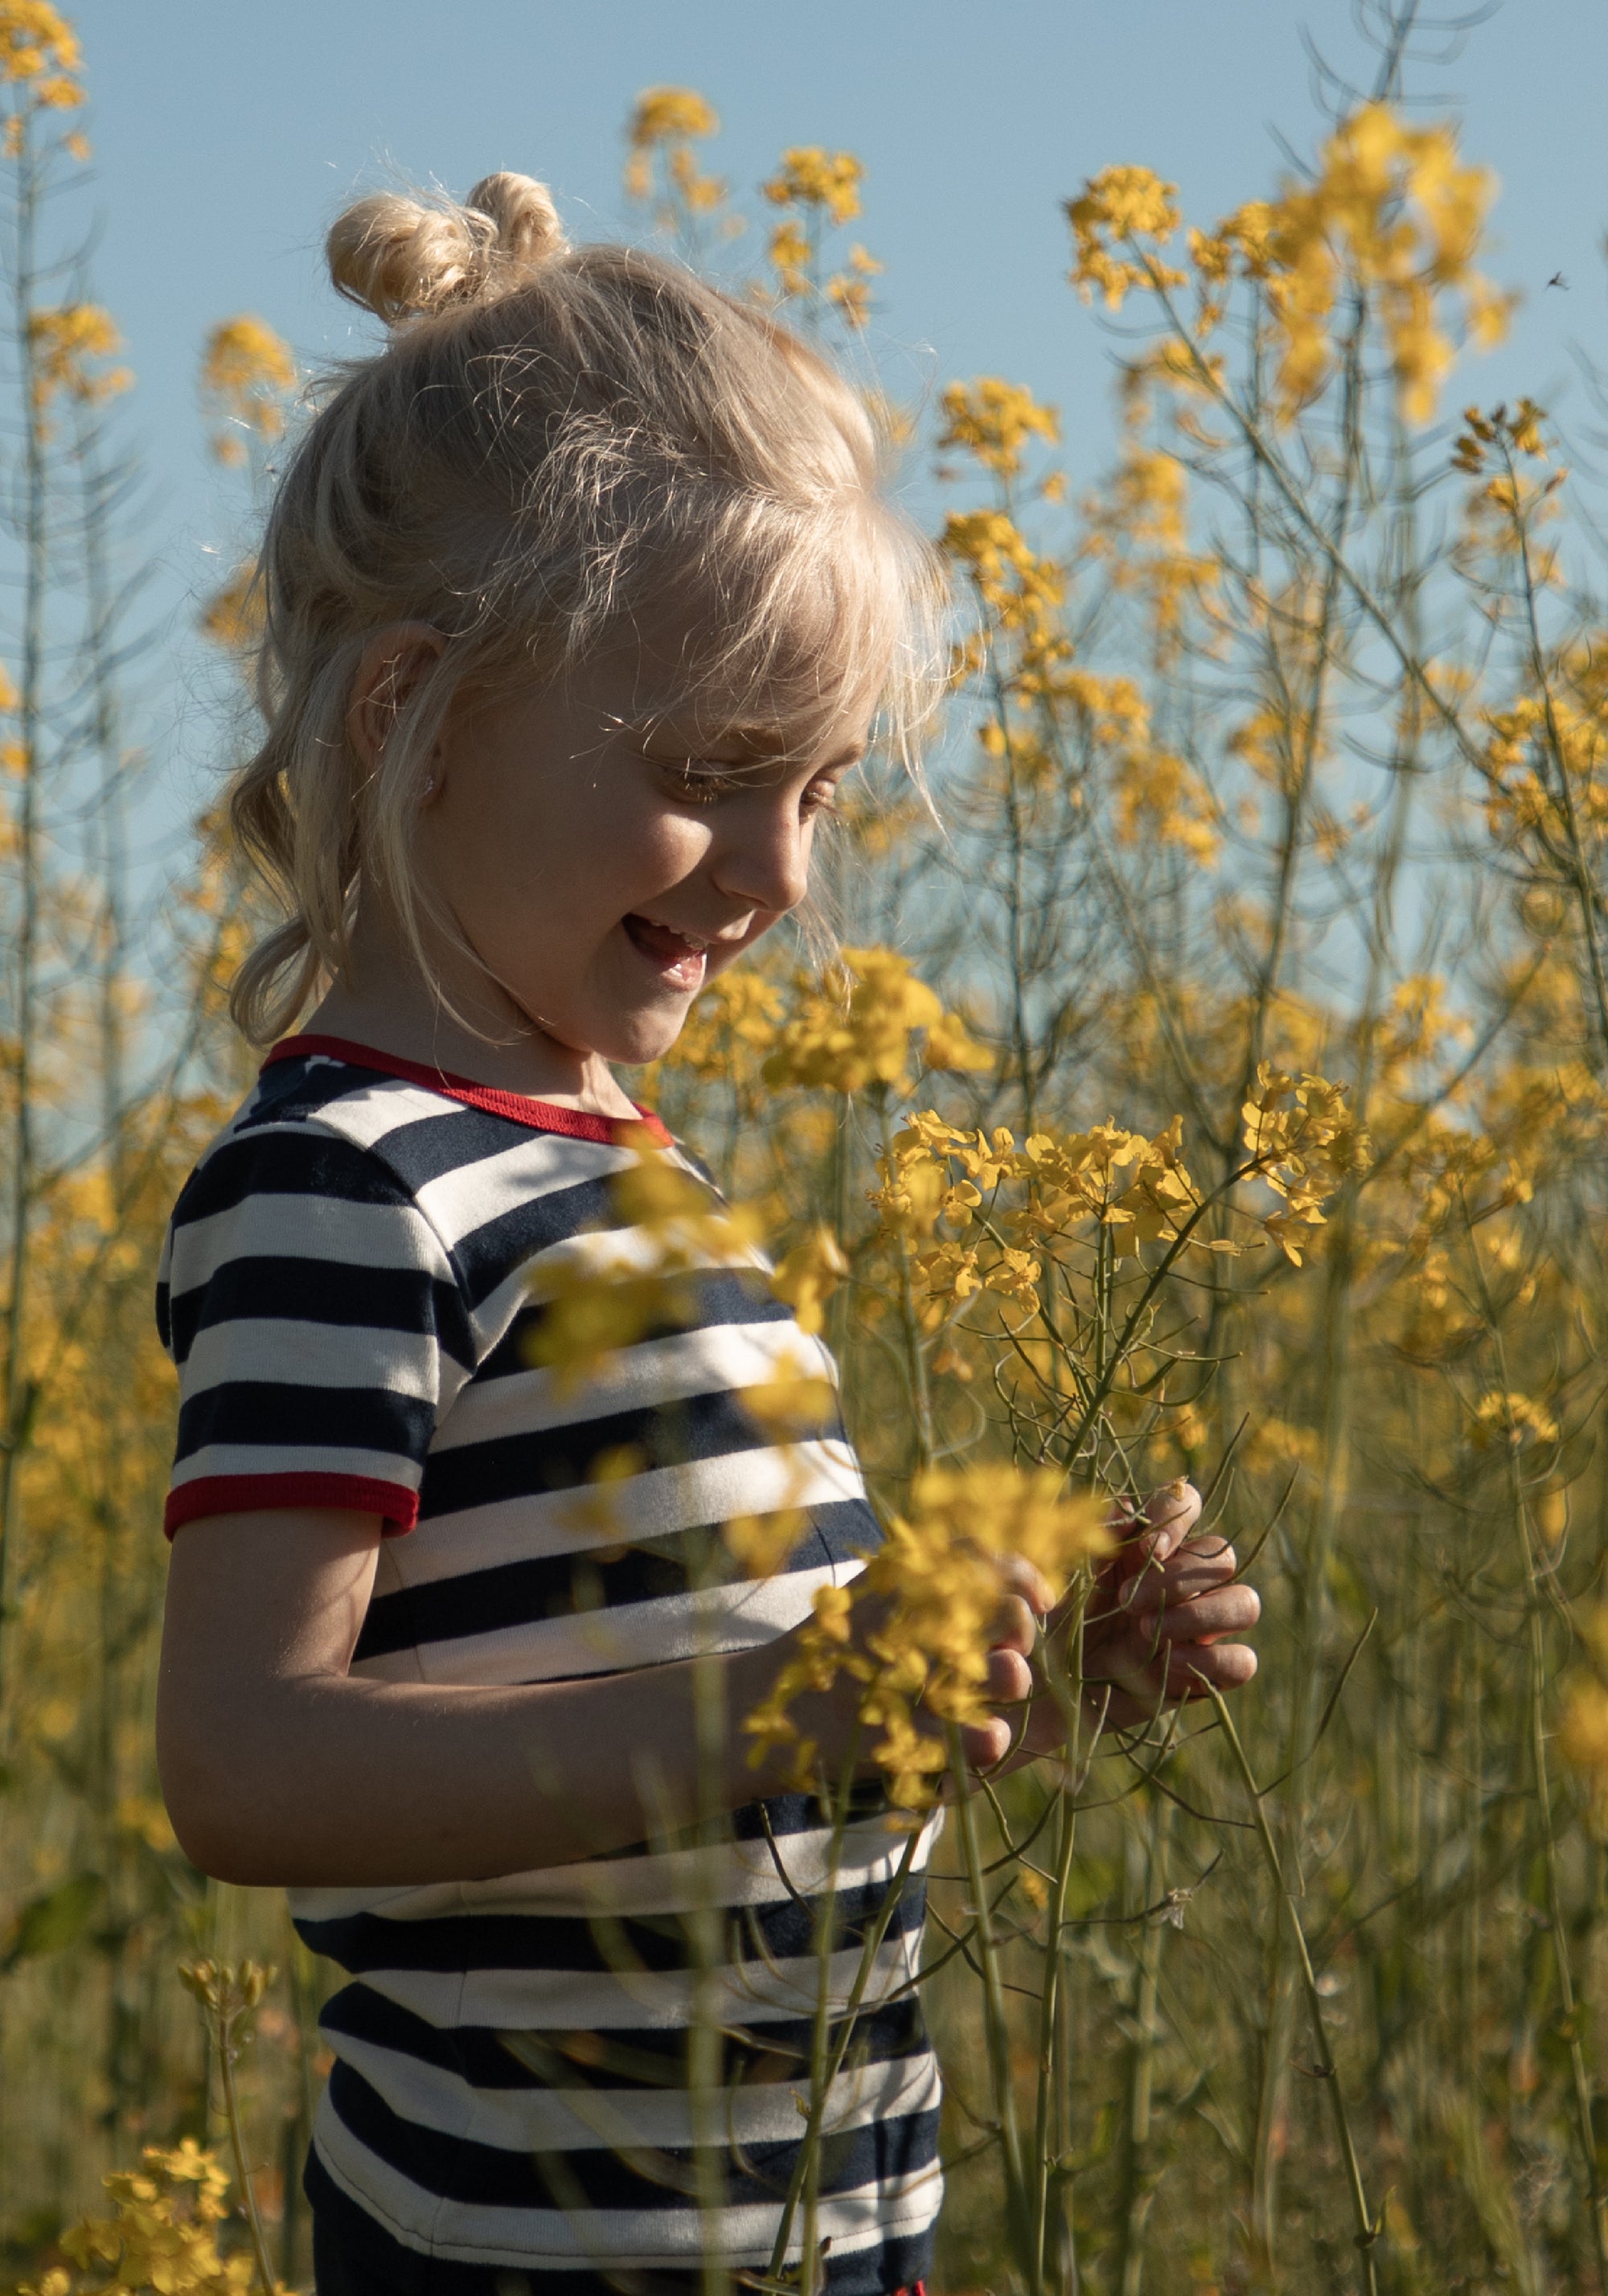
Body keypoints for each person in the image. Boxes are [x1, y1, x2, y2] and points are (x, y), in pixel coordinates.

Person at [154, 172, 1260, 2296]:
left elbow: (730, 1732)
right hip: (526, 2251)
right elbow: (245, 1764)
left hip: (825, 2228)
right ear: (411, 715)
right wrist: (774, 1717)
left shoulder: (627, 1177)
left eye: (823, 788)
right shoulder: (347, 1186)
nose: (777, 870)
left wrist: (1003, 1698)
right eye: (711, 769)